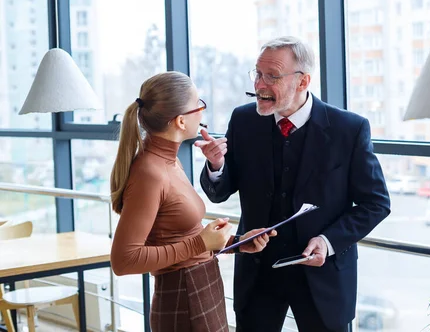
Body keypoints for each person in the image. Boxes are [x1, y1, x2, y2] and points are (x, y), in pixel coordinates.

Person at [196, 36, 391, 331]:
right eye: (258, 74)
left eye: (271, 76)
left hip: (323, 277)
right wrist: (216, 165)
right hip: (257, 273)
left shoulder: (349, 129)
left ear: (303, 82)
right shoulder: (243, 119)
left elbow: (376, 203)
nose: (259, 85)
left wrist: (328, 242)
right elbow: (220, 192)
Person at [109, 71, 276, 332]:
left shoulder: (169, 159)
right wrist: (201, 242)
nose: (202, 112)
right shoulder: (150, 172)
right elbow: (124, 260)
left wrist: (235, 243)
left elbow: (179, 237)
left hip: (201, 286)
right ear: (180, 121)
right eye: (199, 105)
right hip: (182, 296)